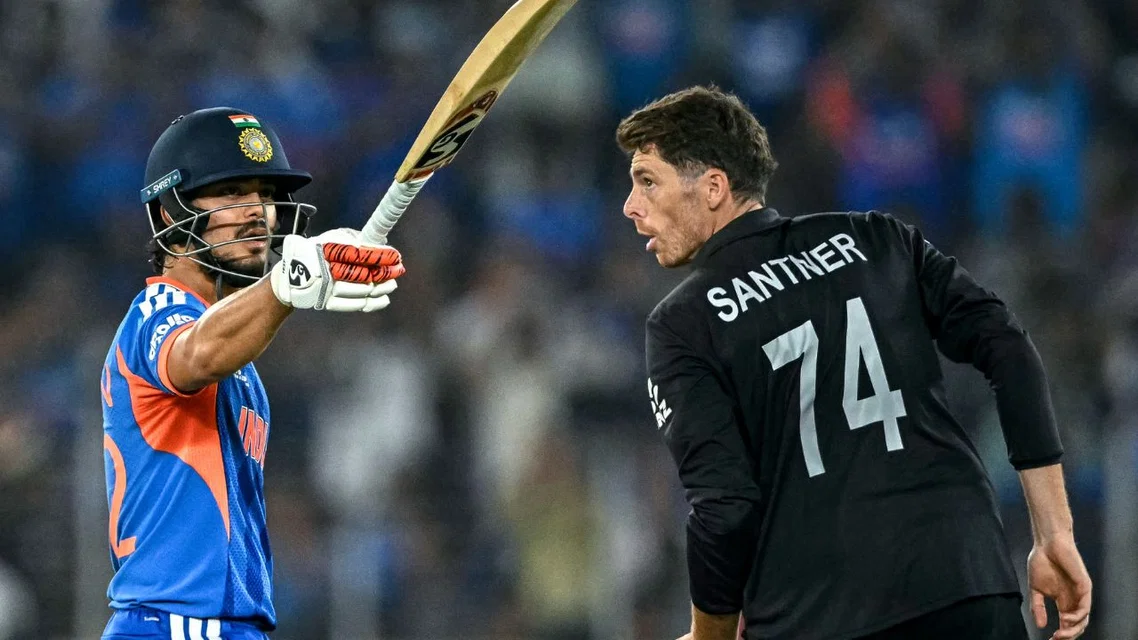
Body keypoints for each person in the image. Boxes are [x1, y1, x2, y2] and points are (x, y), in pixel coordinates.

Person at [616, 85, 1092, 640]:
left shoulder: (682, 324)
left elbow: (725, 506)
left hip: (819, 612)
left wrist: (708, 633)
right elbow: (1008, 348)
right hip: (963, 583)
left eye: (648, 181)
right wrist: (1054, 530)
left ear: (714, 187)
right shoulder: (877, 237)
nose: (631, 205)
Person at [99, 107, 405, 640]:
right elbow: (195, 353)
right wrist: (285, 288)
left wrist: (282, 292)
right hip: (177, 625)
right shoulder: (156, 314)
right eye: (232, 193)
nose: (257, 213)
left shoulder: (244, 362)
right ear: (171, 215)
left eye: (265, 196)